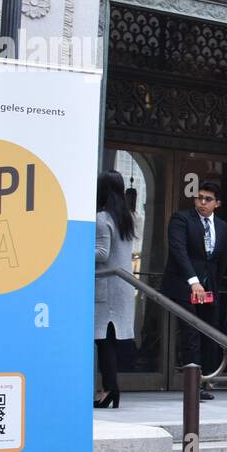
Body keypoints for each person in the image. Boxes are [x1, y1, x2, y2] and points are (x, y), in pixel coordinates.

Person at [161, 180, 227, 400]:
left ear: (217, 203)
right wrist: (194, 281)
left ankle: (205, 381)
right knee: (191, 333)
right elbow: (179, 251)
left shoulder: (222, 226)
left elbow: (221, 260)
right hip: (185, 287)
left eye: (207, 199)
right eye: (199, 197)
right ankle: (193, 386)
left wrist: (213, 285)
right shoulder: (181, 219)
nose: (201, 202)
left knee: (209, 332)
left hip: (209, 290)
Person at [94, 171, 137, 409]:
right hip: (123, 286)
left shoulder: (102, 218)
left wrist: (74, 250)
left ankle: (110, 389)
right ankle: (110, 389)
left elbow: (102, 253)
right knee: (108, 339)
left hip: (107, 287)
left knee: (103, 341)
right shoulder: (127, 217)